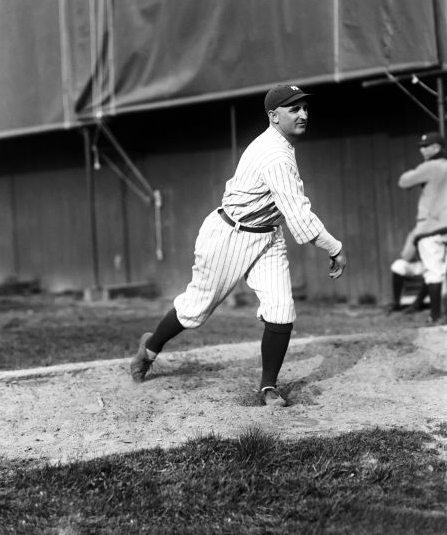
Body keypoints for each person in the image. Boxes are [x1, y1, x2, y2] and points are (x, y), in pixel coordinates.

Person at [130, 83, 347, 406]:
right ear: (274, 116)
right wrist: (334, 247)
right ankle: (150, 348)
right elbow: (298, 214)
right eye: (293, 109)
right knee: (195, 309)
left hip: (267, 235)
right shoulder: (274, 154)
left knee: (281, 309)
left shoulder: (281, 144)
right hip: (231, 234)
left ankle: (268, 387)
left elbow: (287, 213)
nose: (303, 114)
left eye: (304, 108)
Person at [398, 131, 447, 324]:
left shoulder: (430, 166)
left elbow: (403, 181)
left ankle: (435, 316)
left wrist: (418, 171)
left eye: (426, 146)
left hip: (431, 227)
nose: (422, 149)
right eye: (421, 146)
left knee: (433, 272)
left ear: (437, 148)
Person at [388, 227, 428, 313]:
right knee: (398, 265)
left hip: (435, 264)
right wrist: (414, 237)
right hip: (419, 263)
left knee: (433, 271)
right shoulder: (415, 232)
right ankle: (397, 303)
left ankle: (417, 304)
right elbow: (406, 256)